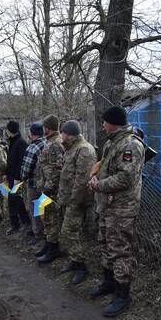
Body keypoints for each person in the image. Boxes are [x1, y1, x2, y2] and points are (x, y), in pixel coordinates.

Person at [88, 106, 144, 317]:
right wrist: (95, 176)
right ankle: (109, 283)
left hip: (122, 207)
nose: (102, 125)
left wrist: (98, 184)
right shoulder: (113, 142)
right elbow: (107, 168)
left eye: (104, 122)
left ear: (112, 122)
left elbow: (126, 178)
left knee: (119, 249)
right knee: (106, 243)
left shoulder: (130, 144)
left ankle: (123, 294)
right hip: (108, 205)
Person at [57, 120, 96, 285]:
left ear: (69, 134)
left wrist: (73, 201)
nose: (61, 136)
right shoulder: (72, 148)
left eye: (63, 133)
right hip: (69, 199)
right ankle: (74, 261)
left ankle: (81, 266)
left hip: (77, 200)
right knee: (72, 232)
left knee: (69, 231)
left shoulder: (84, 150)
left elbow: (82, 180)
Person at [35, 114, 65, 264]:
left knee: (51, 219)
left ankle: (54, 249)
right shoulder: (51, 142)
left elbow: (55, 169)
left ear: (47, 128)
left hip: (51, 190)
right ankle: (48, 244)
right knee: (46, 218)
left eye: (44, 126)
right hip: (46, 188)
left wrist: (47, 189)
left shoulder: (54, 144)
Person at [20, 122, 46, 244]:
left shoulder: (33, 147)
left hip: (33, 184)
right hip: (46, 184)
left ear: (31, 133)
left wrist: (22, 177)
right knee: (42, 209)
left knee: (34, 209)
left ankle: (38, 234)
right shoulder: (46, 144)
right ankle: (42, 231)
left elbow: (26, 168)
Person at [4, 120, 31, 235]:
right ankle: (14, 223)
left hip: (16, 178)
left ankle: (25, 222)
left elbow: (21, 162)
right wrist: (6, 173)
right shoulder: (13, 141)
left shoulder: (21, 143)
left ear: (10, 131)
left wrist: (17, 178)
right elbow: (10, 160)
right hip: (11, 176)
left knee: (16, 198)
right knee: (11, 200)